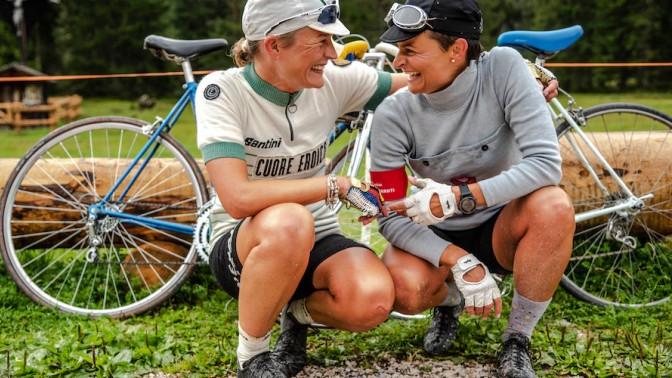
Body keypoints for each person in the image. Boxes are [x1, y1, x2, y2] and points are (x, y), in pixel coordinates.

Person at [193, 0, 409, 377]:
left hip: (317, 235)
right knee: (290, 221)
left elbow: (424, 82)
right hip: (248, 243)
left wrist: (509, 75)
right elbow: (237, 198)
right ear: (274, 46)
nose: (333, 53)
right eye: (321, 41)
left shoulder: (334, 80)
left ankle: (294, 314)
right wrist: (333, 185)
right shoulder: (222, 91)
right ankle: (253, 356)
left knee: (372, 300)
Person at [369, 0, 575, 377]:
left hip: (501, 225)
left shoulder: (505, 68)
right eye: (399, 50)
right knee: (404, 288)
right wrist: (458, 261)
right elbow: (389, 213)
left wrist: (462, 198)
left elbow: (546, 165)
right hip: (437, 235)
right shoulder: (392, 114)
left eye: (411, 50)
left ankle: (517, 339)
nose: (399, 62)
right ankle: (450, 300)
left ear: (457, 50)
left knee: (554, 206)